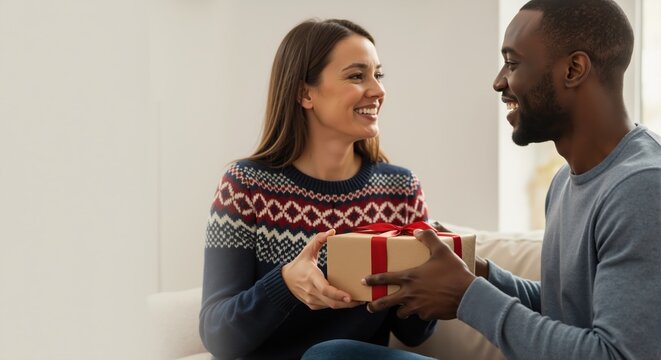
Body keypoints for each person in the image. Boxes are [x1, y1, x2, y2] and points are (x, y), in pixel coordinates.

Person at [303, 0, 661, 359]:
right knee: (334, 355)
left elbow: (617, 355)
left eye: (513, 62)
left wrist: (467, 295)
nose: (499, 81)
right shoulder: (566, 182)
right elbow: (563, 310)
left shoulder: (642, 188)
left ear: (574, 69)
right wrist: (480, 274)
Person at [199, 18, 436, 360]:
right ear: (305, 93)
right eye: (357, 76)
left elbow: (416, 334)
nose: (378, 90)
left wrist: (424, 280)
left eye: (378, 75)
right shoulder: (245, 186)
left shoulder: (400, 190)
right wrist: (285, 284)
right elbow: (217, 335)